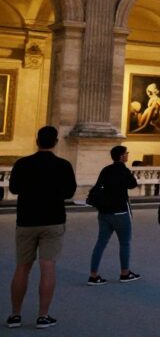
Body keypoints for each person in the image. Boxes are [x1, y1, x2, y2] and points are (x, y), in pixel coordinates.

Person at [6, 126, 76, 330]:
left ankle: (15, 315)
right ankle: (43, 316)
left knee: (22, 268)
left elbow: (14, 189)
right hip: (53, 220)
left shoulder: (23, 163)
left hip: (26, 220)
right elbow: (69, 192)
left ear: (37, 141)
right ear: (55, 142)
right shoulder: (63, 165)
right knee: (48, 267)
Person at [88, 144, 141, 286]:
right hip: (120, 212)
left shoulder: (106, 170)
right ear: (122, 156)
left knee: (100, 243)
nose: (128, 155)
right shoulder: (123, 170)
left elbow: (98, 186)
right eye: (126, 153)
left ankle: (93, 275)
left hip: (104, 212)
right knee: (124, 243)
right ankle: (125, 273)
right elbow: (133, 184)